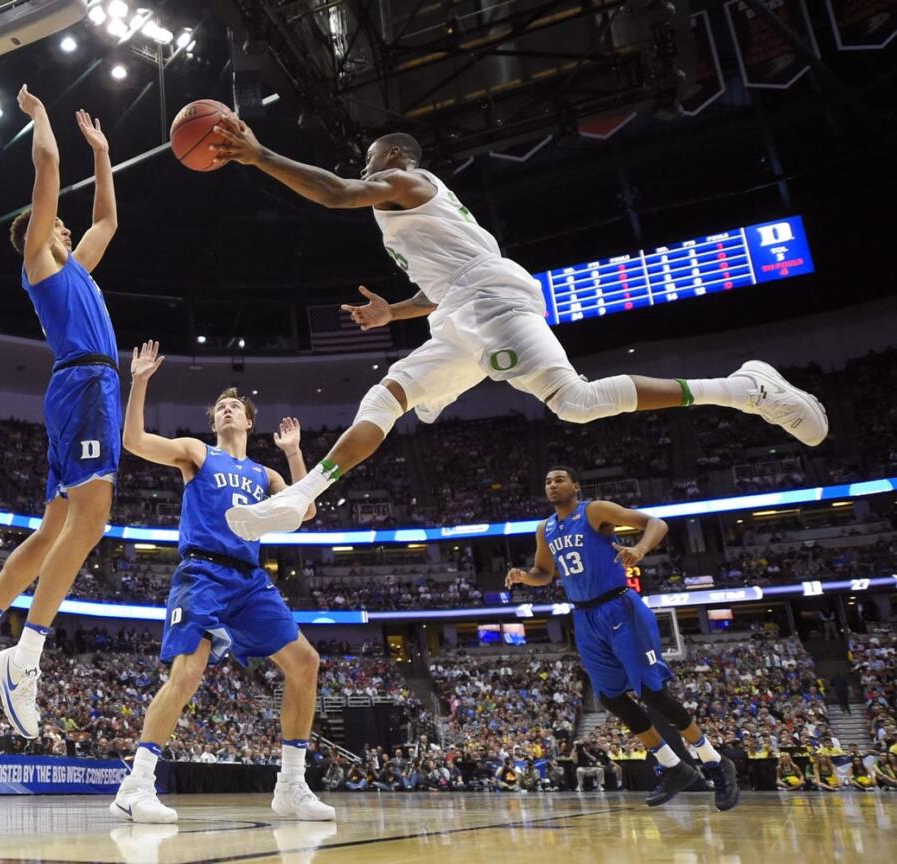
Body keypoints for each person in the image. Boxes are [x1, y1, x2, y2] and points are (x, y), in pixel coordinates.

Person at [210, 120, 829, 543]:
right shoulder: (417, 209)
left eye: (371, 159)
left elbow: (339, 193)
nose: (364, 168)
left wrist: (260, 155)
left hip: (490, 302)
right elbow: (439, 284)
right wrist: (392, 314)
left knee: (577, 404)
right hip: (461, 310)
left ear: (394, 158)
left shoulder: (407, 182)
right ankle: (300, 496)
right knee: (387, 396)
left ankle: (745, 388)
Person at [0, 90, 120, 739]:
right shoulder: (40, 259)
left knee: (51, 534)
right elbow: (45, 171)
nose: (70, 229)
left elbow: (107, 223)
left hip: (84, 391)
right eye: (60, 226)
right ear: (42, 237)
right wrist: (42, 117)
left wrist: (101, 154)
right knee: (92, 519)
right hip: (84, 386)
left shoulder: (82, 272)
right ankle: (26, 654)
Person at [108, 341, 335, 823]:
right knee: (187, 674)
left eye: (235, 406)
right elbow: (135, 441)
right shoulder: (197, 453)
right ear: (214, 422)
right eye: (220, 407)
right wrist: (140, 380)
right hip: (203, 573)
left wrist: (294, 454)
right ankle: (136, 784)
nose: (228, 409)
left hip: (250, 582)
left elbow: (306, 508)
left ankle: (291, 784)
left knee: (305, 662)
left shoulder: (264, 472)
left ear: (249, 422)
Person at [506, 468, 740, 810]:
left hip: (619, 607)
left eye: (559, 479)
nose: (552, 484)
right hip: (584, 617)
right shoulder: (545, 529)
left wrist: (640, 550)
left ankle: (716, 762)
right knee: (612, 698)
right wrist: (525, 576)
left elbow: (656, 523)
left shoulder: (595, 510)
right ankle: (674, 767)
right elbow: (545, 573)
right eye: (547, 481)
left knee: (651, 692)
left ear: (575, 486)